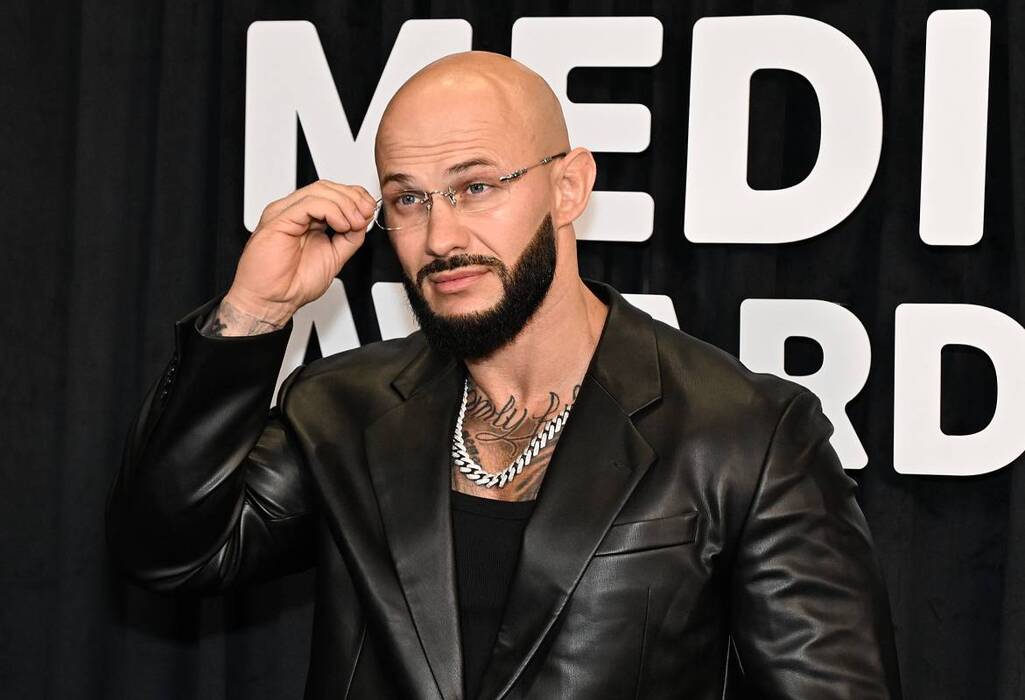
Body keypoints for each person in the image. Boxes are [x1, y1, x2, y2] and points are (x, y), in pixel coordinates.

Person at [106, 50, 902, 699]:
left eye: (476, 187)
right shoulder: (341, 409)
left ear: (568, 186)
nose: (440, 236)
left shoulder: (745, 435)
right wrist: (253, 313)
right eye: (407, 200)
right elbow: (170, 553)